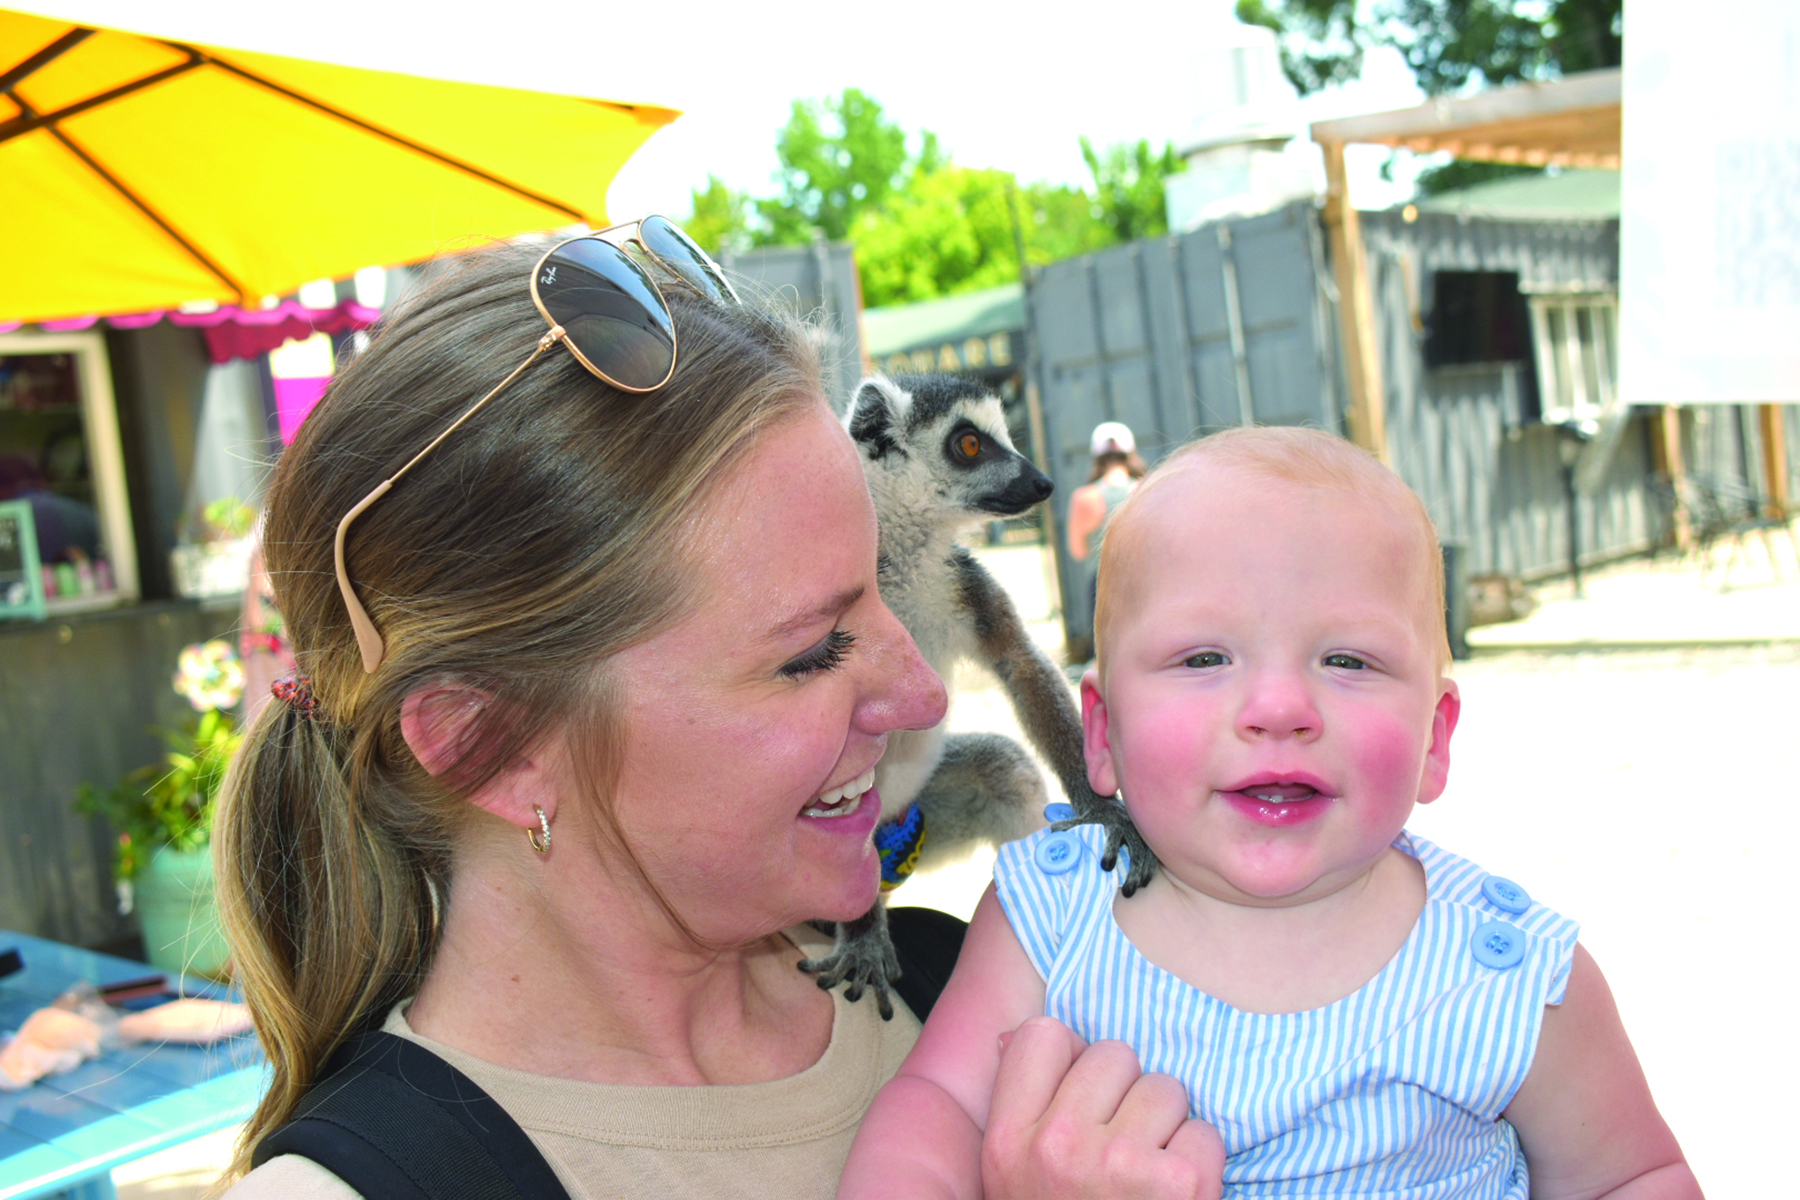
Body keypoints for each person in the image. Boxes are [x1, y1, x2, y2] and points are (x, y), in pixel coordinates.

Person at [214, 221, 1220, 1199]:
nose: (920, 696)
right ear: (491, 742)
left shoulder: (972, 1008)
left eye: (878, 593)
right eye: (810, 653)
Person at [842, 426, 1700, 1199]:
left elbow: (1634, 1176)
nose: (1280, 705)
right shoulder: (1048, 916)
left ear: (1435, 740)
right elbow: (936, 1109)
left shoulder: (1514, 983)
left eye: (1348, 660)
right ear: (1100, 735)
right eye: (1205, 655)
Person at [1065, 421, 1144, 660]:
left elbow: (1078, 551)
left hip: (1102, 585)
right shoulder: (1146, 489)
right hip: (1144, 582)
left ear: (1096, 457)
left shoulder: (1084, 497)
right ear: (1130, 453)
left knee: (1109, 656)